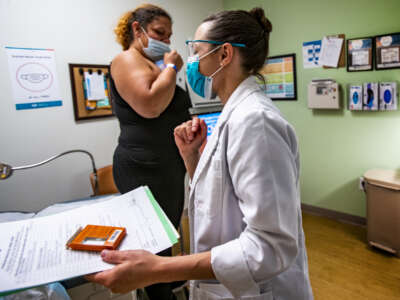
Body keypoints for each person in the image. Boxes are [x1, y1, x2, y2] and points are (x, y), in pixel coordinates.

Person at [88, 7, 314, 300]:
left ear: (224, 55)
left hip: (258, 290)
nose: (191, 62)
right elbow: (225, 198)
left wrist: (159, 268)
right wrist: (192, 157)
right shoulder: (232, 114)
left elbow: (270, 248)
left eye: (197, 51)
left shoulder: (255, 122)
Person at [110, 4, 191, 300]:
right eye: (159, 33)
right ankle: (161, 295)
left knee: (166, 236)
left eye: (169, 36)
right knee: (152, 242)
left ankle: (164, 286)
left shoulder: (151, 65)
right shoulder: (125, 60)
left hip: (167, 164)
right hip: (143, 167)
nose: (166, 42)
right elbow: (150, 106)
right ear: (137, 29)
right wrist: (171, 67)